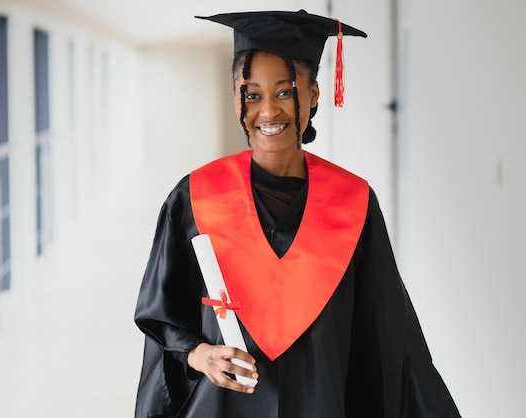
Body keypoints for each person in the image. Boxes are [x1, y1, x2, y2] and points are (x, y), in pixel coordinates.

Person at [134, 10, 460, 418]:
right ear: (236, 97)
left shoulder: (354, 202)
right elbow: (161, 316)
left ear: (314, 94)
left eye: (285, 91)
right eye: (251, 94)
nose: (268, 111)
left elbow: (387, 339)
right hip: (221, 408)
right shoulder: (194, 197)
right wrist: (201, 355)